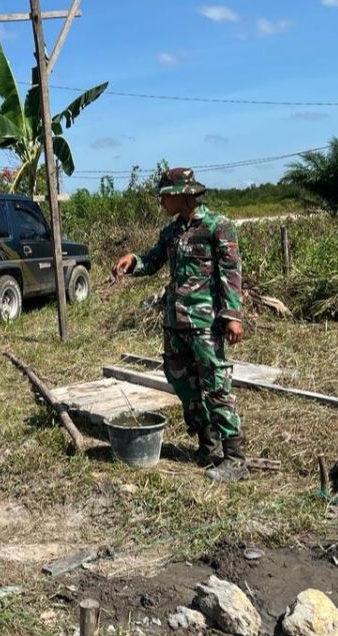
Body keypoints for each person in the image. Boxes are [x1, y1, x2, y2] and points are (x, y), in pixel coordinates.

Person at [111, 167, 248, 482]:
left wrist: (232, 315)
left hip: (206, 324)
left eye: (165, 196)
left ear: (182, 196)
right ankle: (207, 444)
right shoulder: (170, 232)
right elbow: (153, 260)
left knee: (216, 386)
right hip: (175, 323)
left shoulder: (218, 227)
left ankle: (236, 459)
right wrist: (133, 261)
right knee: (182, 383)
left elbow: (231, 273)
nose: (161, 202)